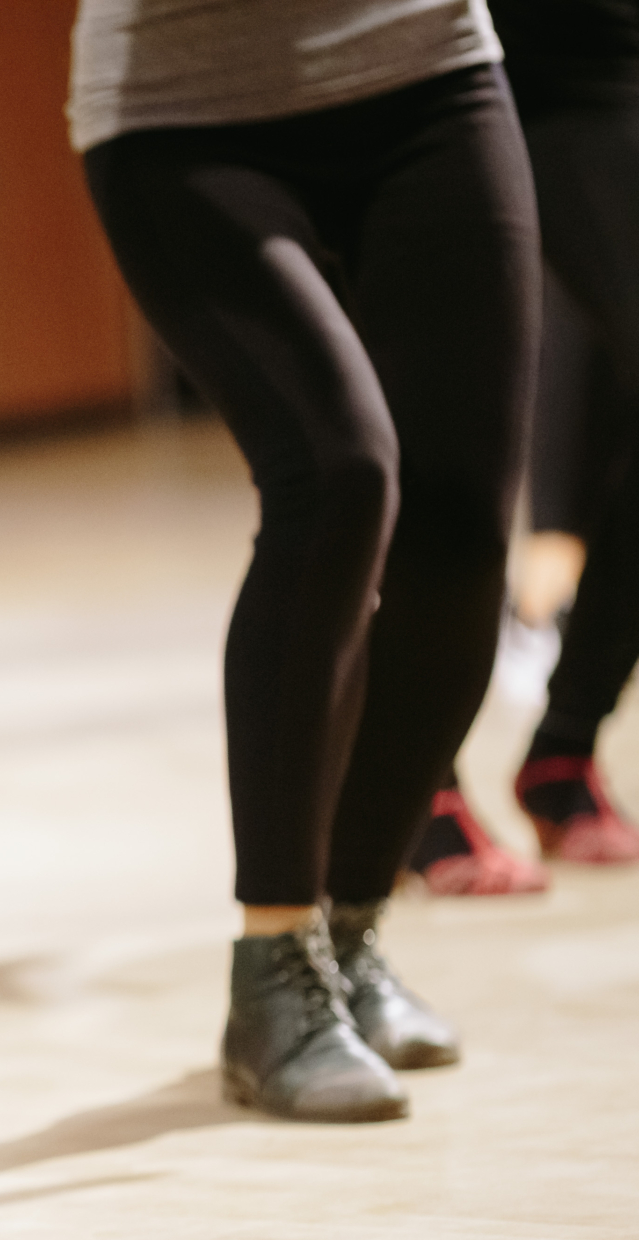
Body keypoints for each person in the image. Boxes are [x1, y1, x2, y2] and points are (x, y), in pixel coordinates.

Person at [71, 0, 538, 1122]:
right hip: (183, 113)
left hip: (426, 70)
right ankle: (271, 973)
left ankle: (349, 933)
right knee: (335, 476)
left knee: (462, 527)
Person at [496, 0, 639, 865]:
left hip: (605, 53)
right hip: (431, 62)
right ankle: (412, 784)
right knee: (423, 420)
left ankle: (565, 744)